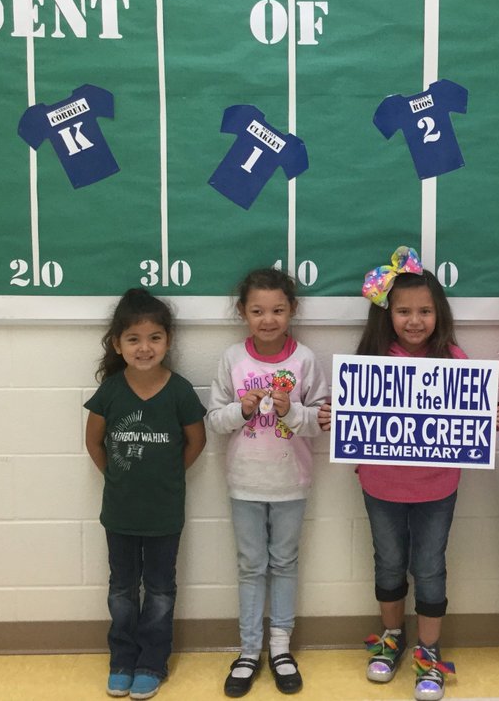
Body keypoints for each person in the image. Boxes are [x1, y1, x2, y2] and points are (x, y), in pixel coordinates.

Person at [318, 246, 499, 701]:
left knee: (428, 567)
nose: (414, 320)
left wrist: (493, 415)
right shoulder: (368, 362)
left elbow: (474, 416)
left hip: (437, 488)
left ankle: (428, 649)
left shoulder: (454, 361)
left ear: (438, 314)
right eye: (403, 311)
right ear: (387, 314)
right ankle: (391, 637)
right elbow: (348, 414)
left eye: (425, 311)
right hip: (379, 485)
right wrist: (334, 416)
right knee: (387, 562)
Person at [207, 268, 330, 697]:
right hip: (244, 483)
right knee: (249, 566)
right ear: (242, 312)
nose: (268, 319)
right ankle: (248, 650)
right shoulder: (232, 360)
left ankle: (281, 647)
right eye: (257, 311)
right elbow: (214, 421)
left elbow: (320, 422)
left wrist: (291, 412)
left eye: (278, 310)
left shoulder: (306, 361)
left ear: (292, 310)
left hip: (291, 483)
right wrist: (241, 410)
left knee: (284, 564)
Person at [85, 288, 207, 701]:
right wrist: (119, 477)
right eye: (133, 339)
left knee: (159, 590)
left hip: (164, 515)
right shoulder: (111, 391)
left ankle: (151, 662)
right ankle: (122, 659)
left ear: (168, 341)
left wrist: (167, 476)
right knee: (121, 589)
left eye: (154, 337)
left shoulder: (180, 392)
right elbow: (94, 443)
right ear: (117, 344)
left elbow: (196, 443)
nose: (144, 347)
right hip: (119, 514)